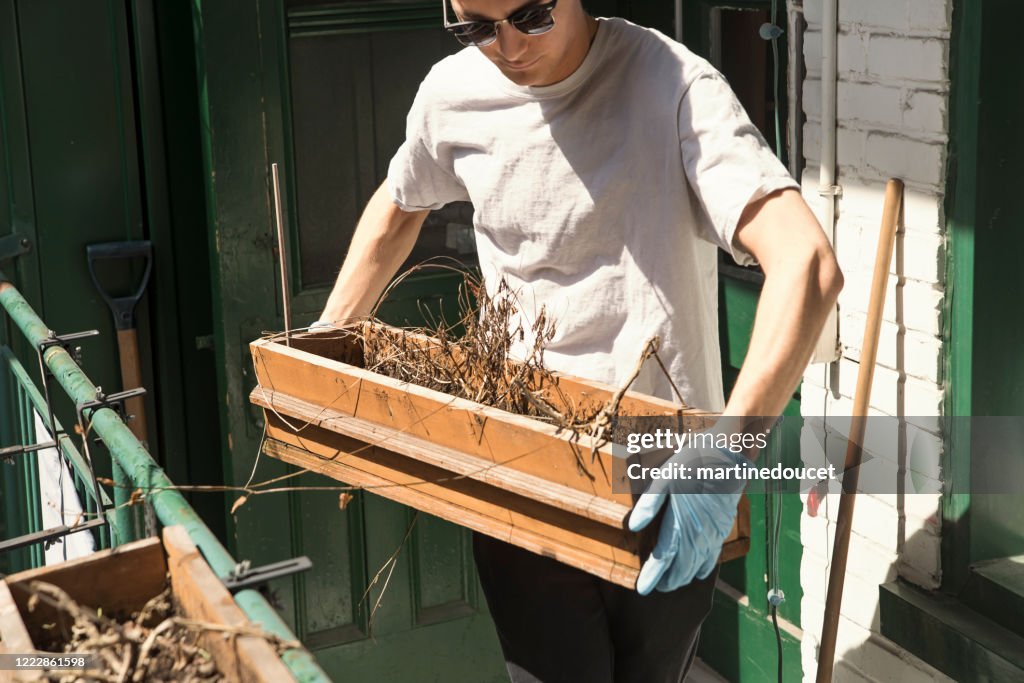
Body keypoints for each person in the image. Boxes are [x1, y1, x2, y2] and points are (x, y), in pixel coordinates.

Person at [315, 0, 843, 680]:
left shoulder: (672, 87)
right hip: (519, 463)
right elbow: (398, 204)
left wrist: (725, 452)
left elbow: (807, 264)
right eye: (476, 26)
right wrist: (326, 345)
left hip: (659, 478)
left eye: (529, 16)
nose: (506, 46)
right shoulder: (451, 96)